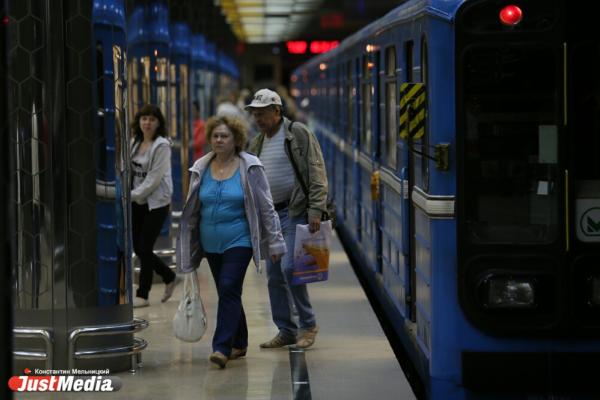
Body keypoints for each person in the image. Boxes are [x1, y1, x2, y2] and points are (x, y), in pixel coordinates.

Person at [176, 115, 286, 369]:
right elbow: (192, 207)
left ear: (236, 139)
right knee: (229, 291)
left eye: (224, 136)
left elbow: (266, 207)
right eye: (215, 135)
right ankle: (240, 341)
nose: (219, 140)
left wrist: (276, 242)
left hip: (240, 238)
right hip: (210, 243)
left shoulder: (250, 166)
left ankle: (221, 347)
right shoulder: (201, 168)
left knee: (228, 285)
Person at [246, 88, 328, 349]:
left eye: (262, 113)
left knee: (291, 267)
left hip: (295, 210)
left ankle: (308, 324)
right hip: (270, 216)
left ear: (277, 111)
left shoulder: (298, 133)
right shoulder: (257, 143)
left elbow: (316, 170)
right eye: (254, 114)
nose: (258, 118)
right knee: (273, 276)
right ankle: (286, 330)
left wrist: (316, 208)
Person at [130, 104, 181, 308]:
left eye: (152, 119)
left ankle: (143, 294)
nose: (147, 123)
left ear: (158, 123)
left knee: (145, 246)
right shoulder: (134, 142)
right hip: (136, 200)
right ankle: (169, 276)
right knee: (138, 247)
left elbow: (153, 179)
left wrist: (128, 196)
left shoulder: (162, 146)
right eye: (144, 118)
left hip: (157, 202)